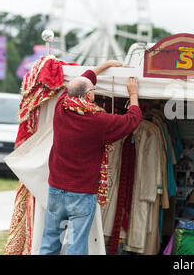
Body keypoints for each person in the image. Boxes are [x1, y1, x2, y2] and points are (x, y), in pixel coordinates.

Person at [40, 60, 143, 255]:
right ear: (89, 95)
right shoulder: (98, 122)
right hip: (81, 194)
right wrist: (134, 94)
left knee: (49, 242)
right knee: (76, 246)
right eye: (93, 90)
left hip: (55, 189)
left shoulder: (61, 106)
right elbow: (132, 120)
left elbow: (83, 79)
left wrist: (106, 65)